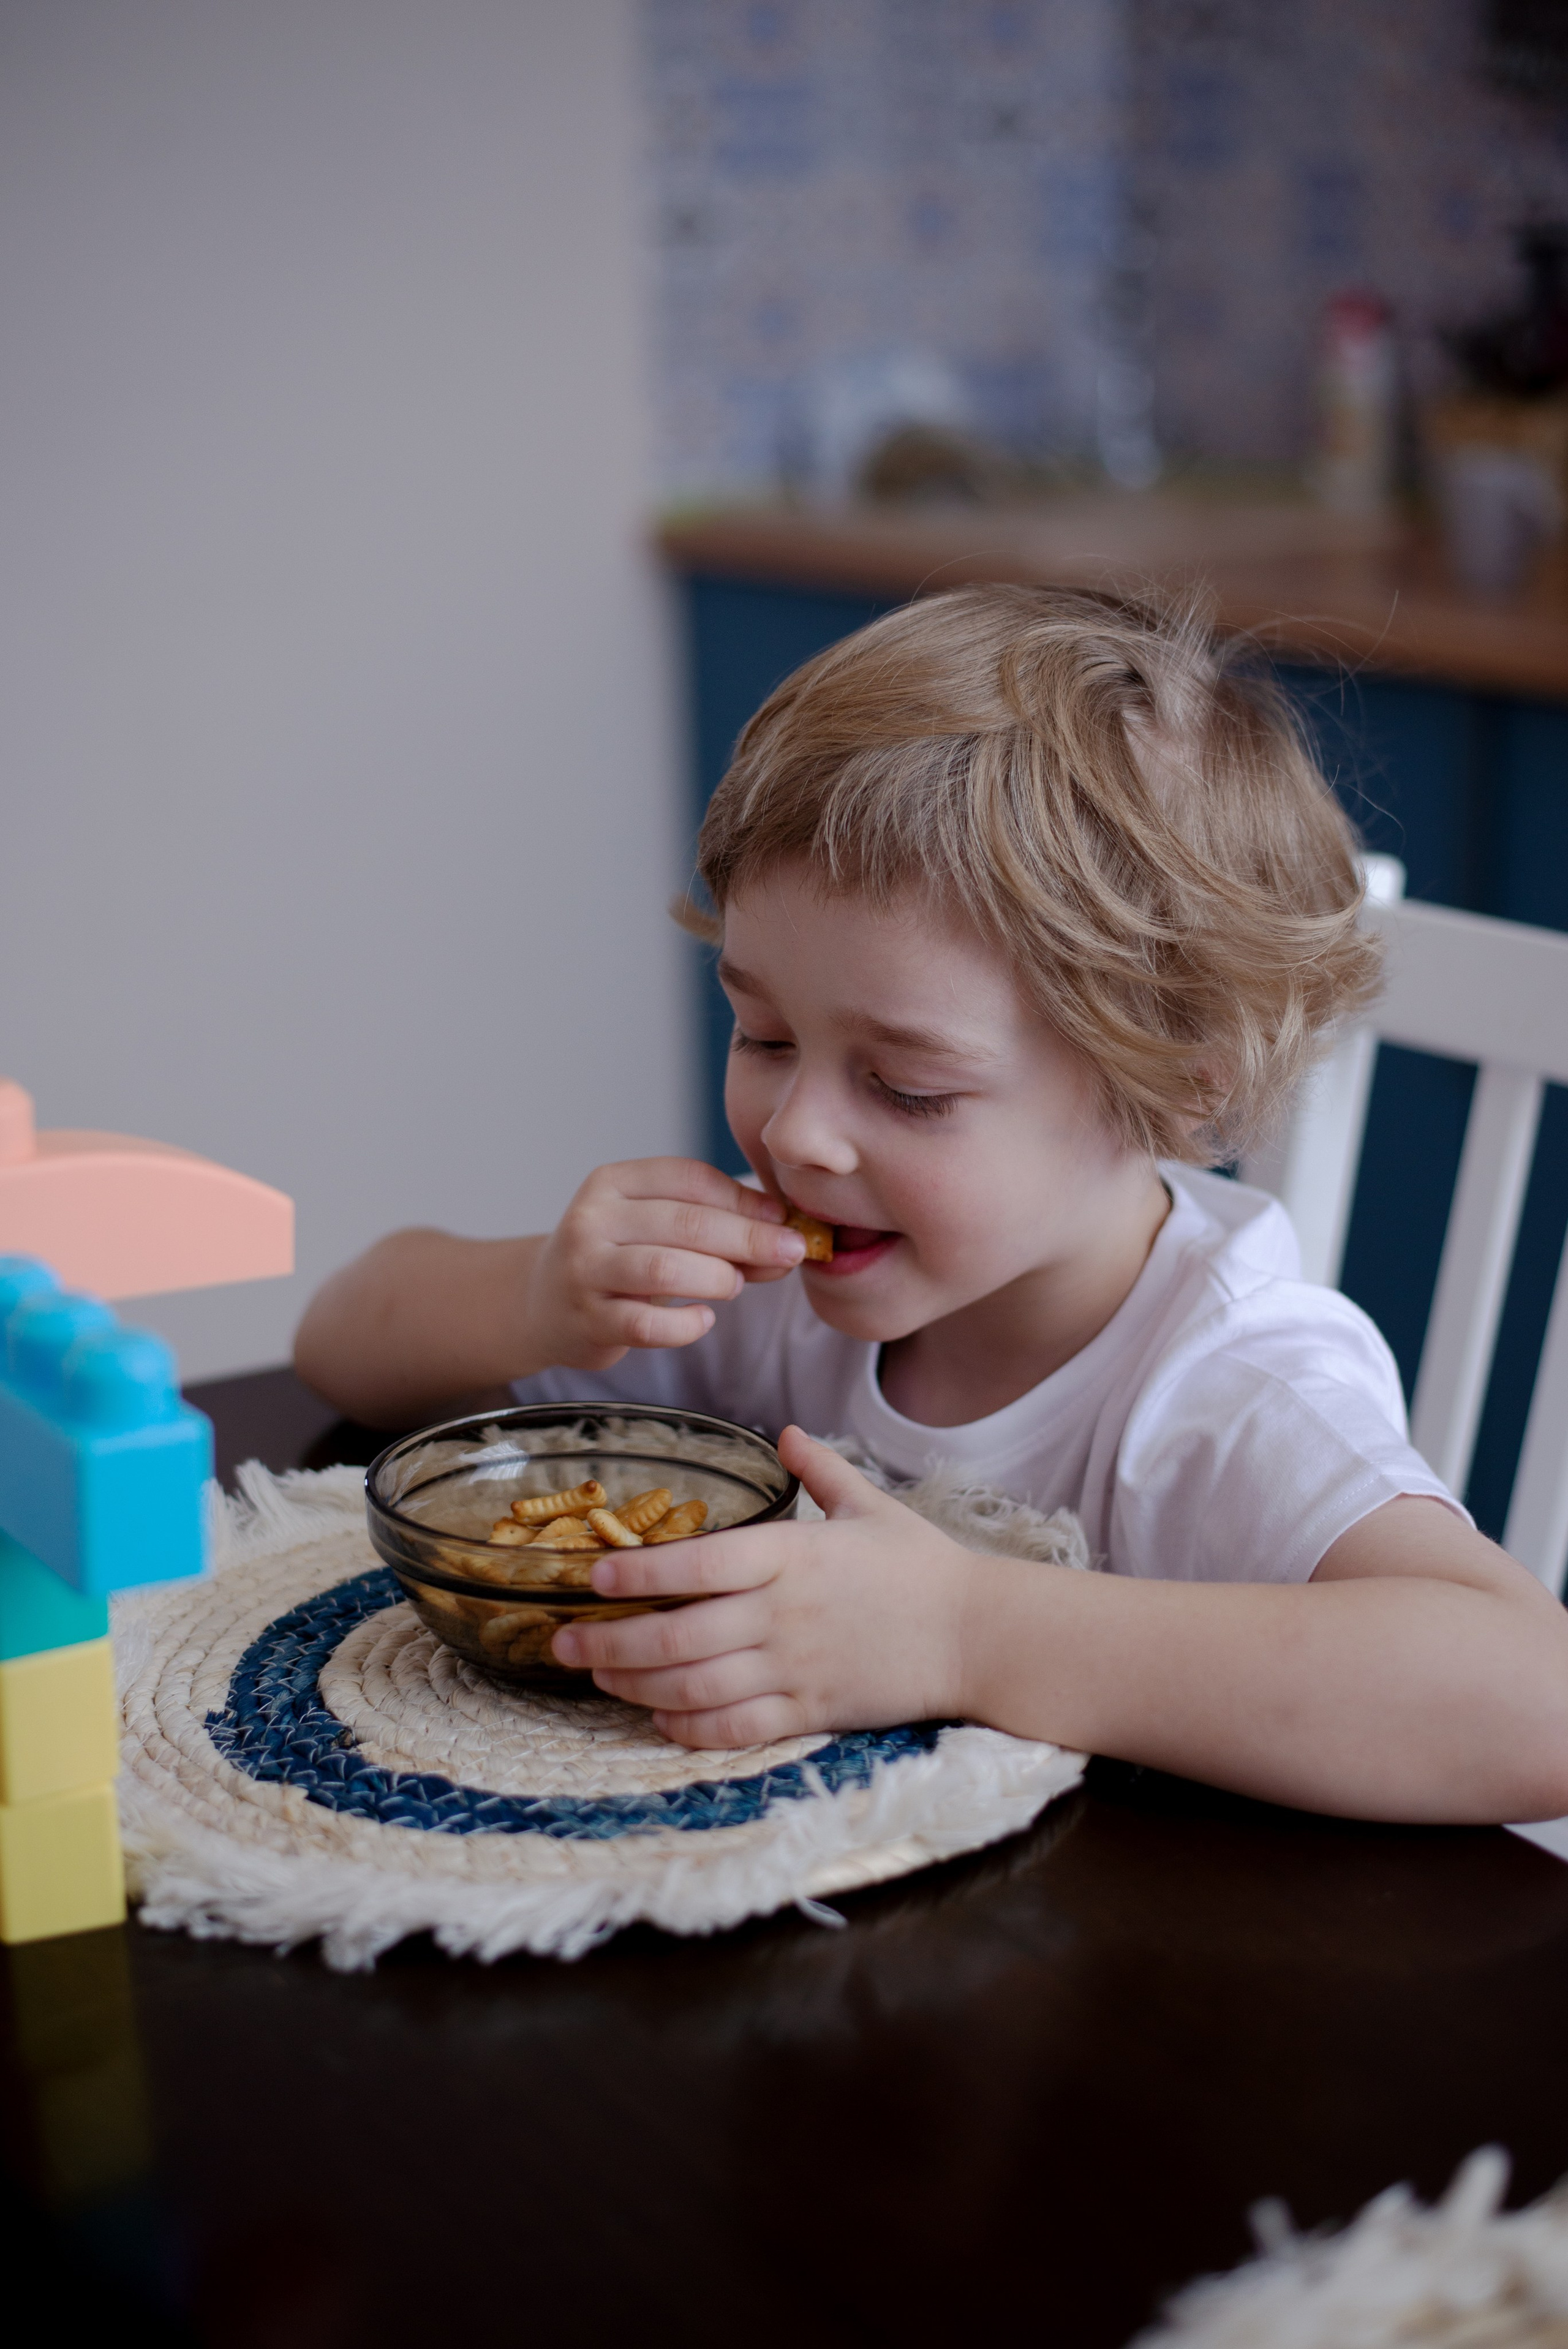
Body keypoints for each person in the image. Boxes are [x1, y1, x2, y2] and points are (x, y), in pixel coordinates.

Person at [294, 585, 1568, 1823]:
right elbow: (341, 1340)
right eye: (762, 1032)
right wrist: (538, 1301)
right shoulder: (779, 1285)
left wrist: (958, 1632)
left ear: (1177, 1090)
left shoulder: (1223, 1386)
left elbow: (1534, 1705)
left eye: (905, 1088)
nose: (794, 1134)